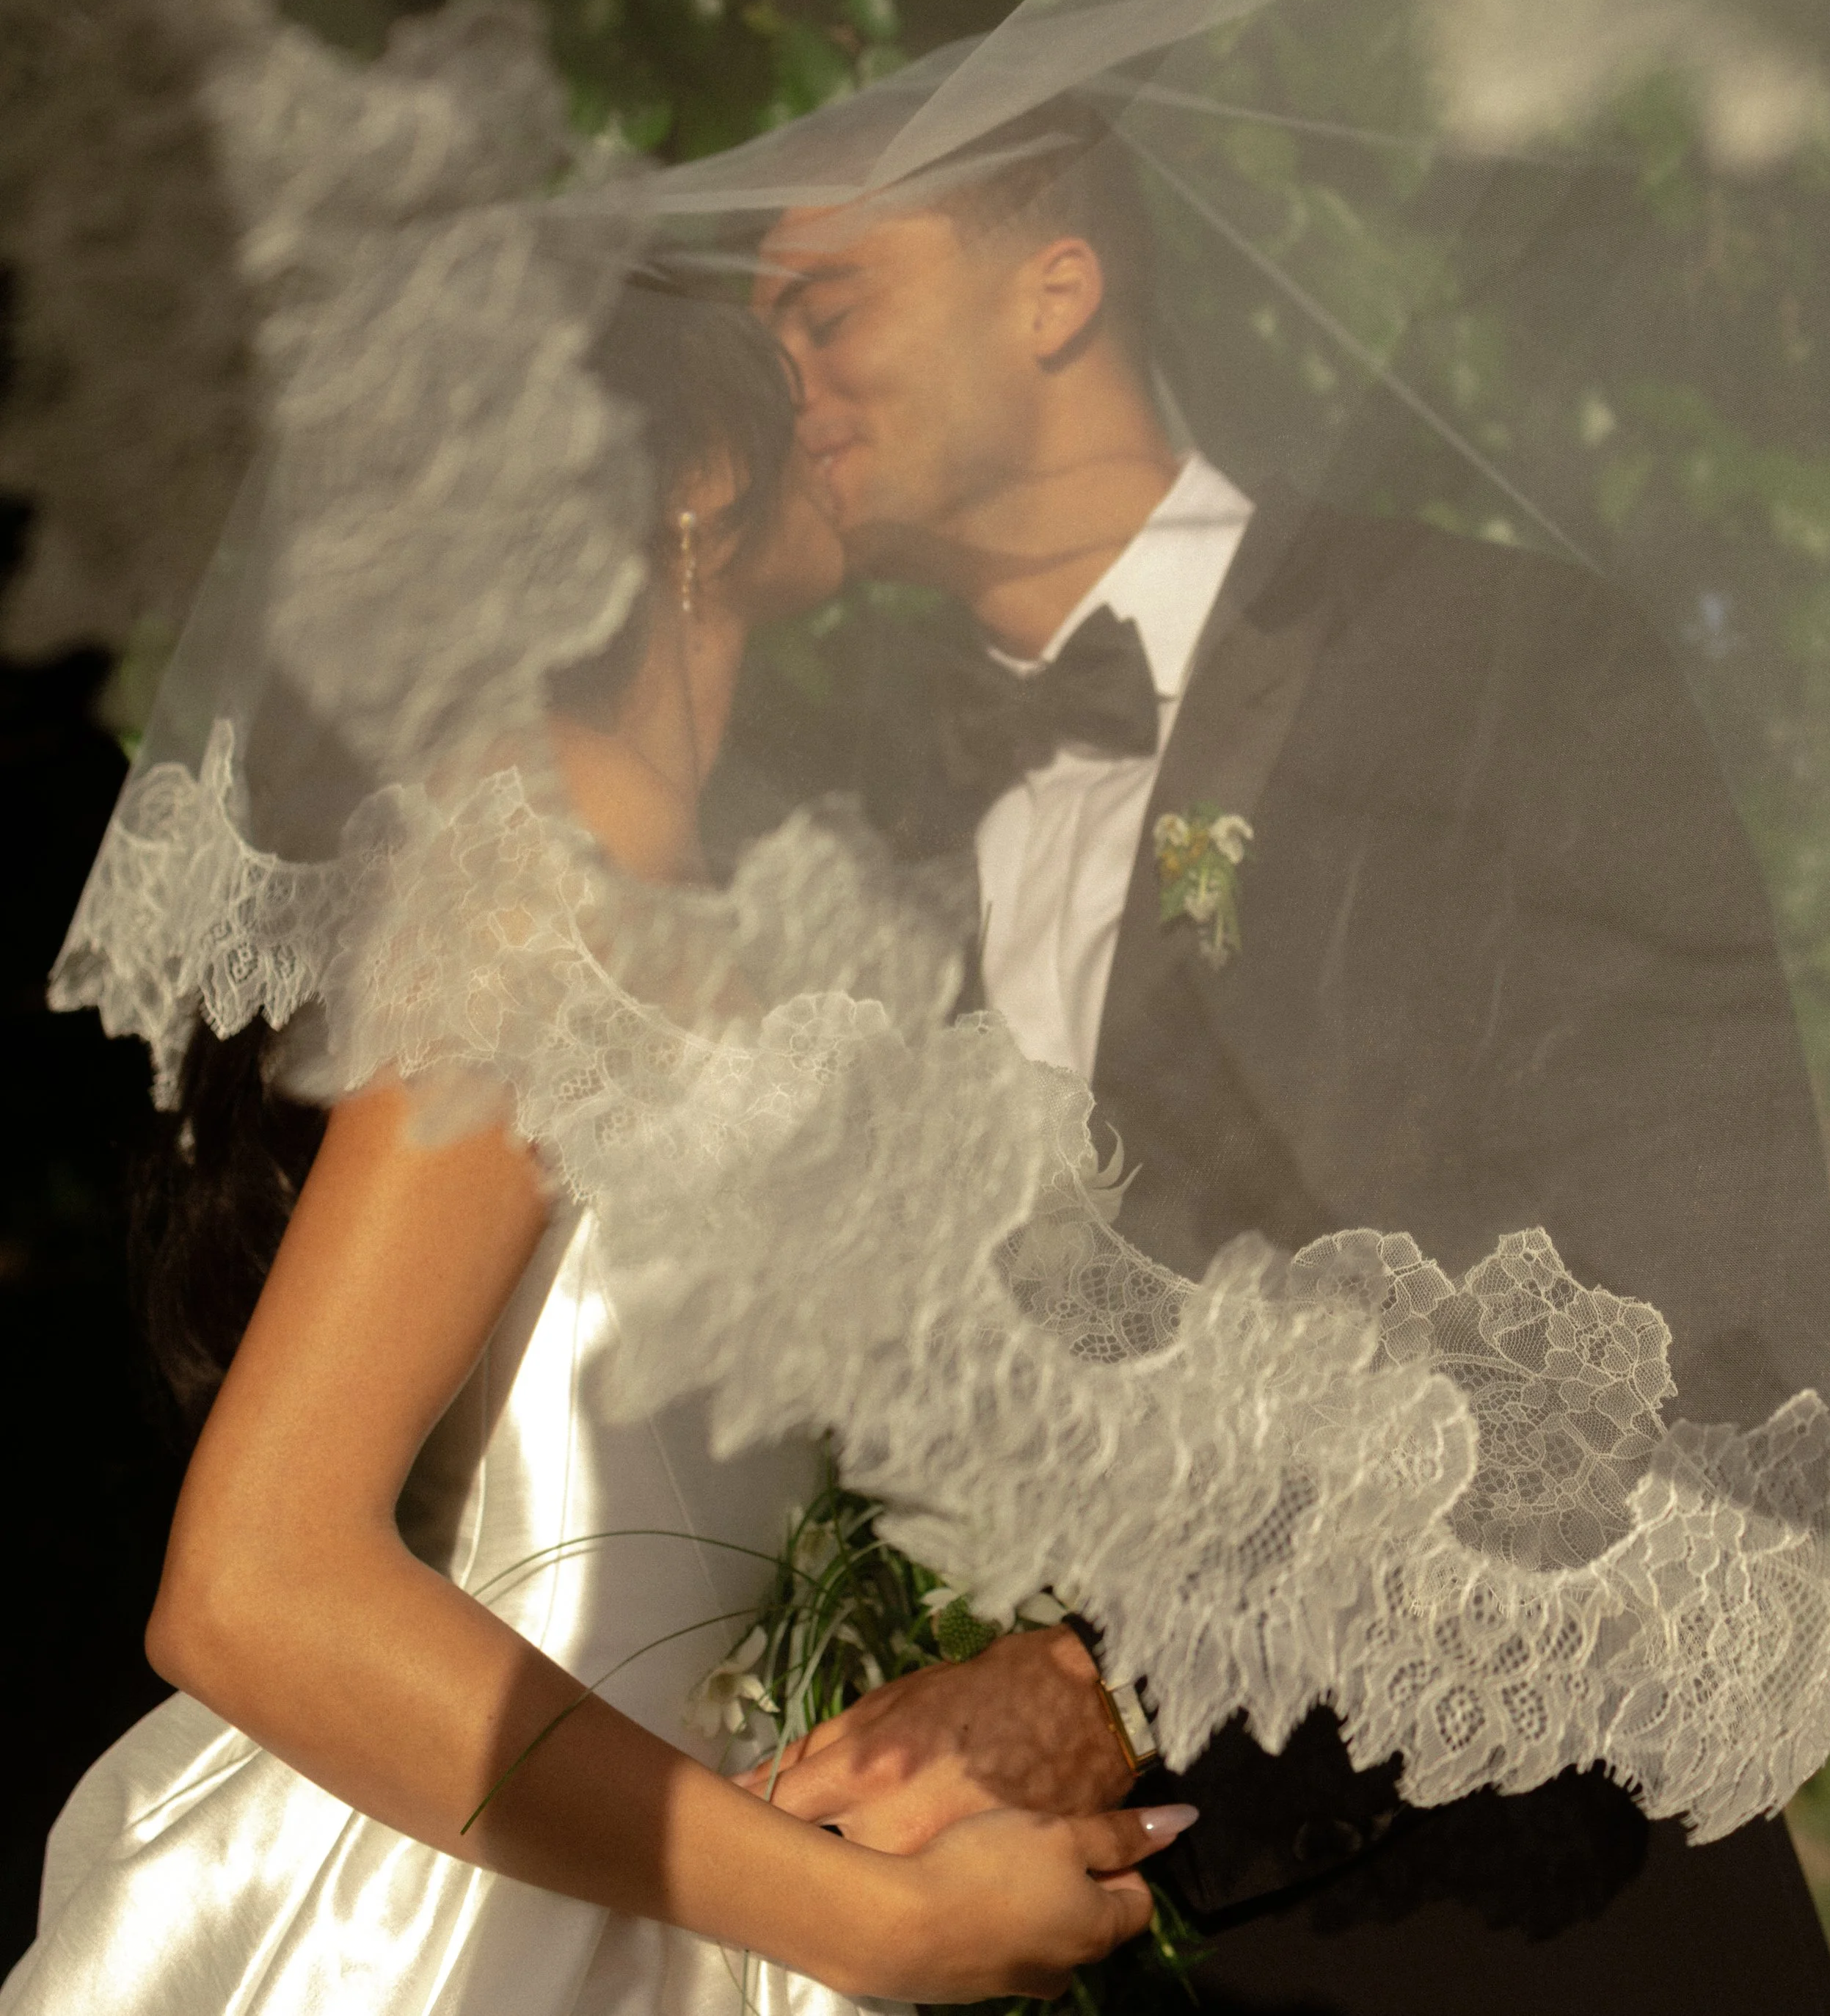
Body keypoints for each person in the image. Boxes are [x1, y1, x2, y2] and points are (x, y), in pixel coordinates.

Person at [739, 121, 1830, 2014]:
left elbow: (1707, 1345)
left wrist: (1108, 1694)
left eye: (823, 314)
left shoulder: (1500, 668)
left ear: (1053, 286)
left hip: (1530, 1933)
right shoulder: (861, 844)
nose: (785, 392)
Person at [1, 283, 1192, 2016]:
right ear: (698, 473)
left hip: (681, 1865)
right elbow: (252, 1580)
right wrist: (859, 1925)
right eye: (797, 361)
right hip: (480, 1923)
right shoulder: (552, 843)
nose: (843, 407)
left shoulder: (666, 864)